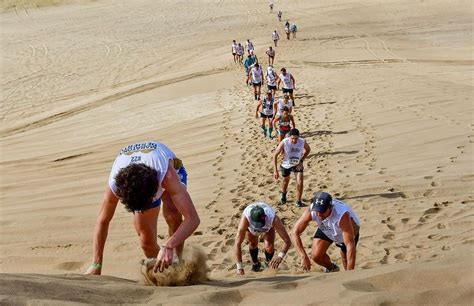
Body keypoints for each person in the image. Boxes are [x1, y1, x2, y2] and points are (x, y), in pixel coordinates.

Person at [85, 141, 200, 275]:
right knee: (146, 243)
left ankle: (177, 260)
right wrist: (96, 264)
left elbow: (193, 219)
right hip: (140, 180)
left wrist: (169, 245)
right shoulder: (115, 185)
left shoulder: (167, 175)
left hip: (170, 168)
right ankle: (165, 269)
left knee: (172, 214)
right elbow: (102, 221)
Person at [292, 191, 361, 272]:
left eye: (322, 211)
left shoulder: (342, 215)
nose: (319, 215)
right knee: (316, 256)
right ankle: (332, 268)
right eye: (317, 211)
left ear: (330, 207)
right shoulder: (313, 210)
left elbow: (350, 245)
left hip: (347, 227)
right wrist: (303, 256)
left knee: (345, 257)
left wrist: (350, 272)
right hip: (326, 225)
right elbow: (294, 232)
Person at [234, 202, 292, 274]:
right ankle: (255, 263)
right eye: (257, 225)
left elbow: (287, 240)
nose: (259, 228)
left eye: (260, 224)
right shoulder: (246, 218)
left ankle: (267, 263)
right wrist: (239, 267)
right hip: (251, 229)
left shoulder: (273, 218)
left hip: (268, 228)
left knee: (269, 247)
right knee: (253, 244)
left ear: (265, 217)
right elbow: (237, 243)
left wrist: (280, 256)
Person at [273, 128, 310, 207]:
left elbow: (308, 150)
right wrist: (275, 170)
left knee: (300, 181)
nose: (294, 140)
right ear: (289, 137)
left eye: (296, 138)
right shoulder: (284, 142)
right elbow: (275, 155)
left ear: (299, 137)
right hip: (286, 164)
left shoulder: (302, 141)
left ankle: (298, 201)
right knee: (286, 182)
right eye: (292, 138)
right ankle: (283, 195)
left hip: (297, 164)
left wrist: (301, 160)